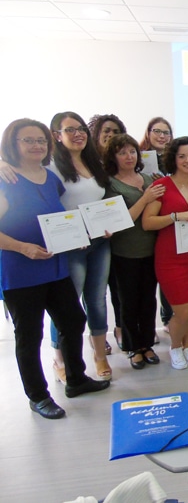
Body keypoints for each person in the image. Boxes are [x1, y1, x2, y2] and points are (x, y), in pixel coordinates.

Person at [0, 119, 110, 419]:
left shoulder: (49, 178)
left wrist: (80, 234)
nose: (36, 145)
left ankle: (76, 378)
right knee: (29, 335)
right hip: (21, 270)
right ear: (13, 144)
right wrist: (23, 247)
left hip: (56, 264)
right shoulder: (4, 179)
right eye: (28, 140)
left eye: (40, 140)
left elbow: (60, 217)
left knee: (73, 319)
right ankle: (38, 396)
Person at [48, 111, 113, 381]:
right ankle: (59, 358)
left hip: (99, 242)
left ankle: (99, 356)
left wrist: (109, 223)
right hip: (70, 245)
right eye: (70, 130)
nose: (78, 134)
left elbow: (102, 200)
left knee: (97, 301)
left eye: (81, 129)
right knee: (67, 304)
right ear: (57, 136)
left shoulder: (94, 162)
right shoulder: (50, 166)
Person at [142, 136, 188, 370]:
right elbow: (147, 223)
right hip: (171, 258)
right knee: (182, 309)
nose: (187, 160)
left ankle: (187, 347)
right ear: (173, 158)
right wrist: (175, 217)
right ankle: (175, 347)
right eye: (182, 156)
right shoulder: (161, 186)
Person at [105, 134, 165, 369]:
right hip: (125, 252)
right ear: (113, 157)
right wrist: (146, 197)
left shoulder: (149, 178)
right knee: (127, 302)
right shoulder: (109, 183)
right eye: (122, 153)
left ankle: (147, 344)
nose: (128, 156)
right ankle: (133, 347)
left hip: (151, 250)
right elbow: (119, 220)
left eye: (132, 151)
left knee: (148, 300)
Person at [87, 113, 127, 350]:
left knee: (119, 288)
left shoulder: (125, 161)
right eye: (106, 131)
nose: (110, 136)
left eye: (115, 132)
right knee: (95, 294)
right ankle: (97, 338)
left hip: (121, 236)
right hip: (93, 239)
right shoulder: (87, 162)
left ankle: (121, 329)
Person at [139, 117, 174, 330]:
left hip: (169, 222)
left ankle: (168, 318)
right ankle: (146, 327)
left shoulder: (175, 159)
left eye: (166, 132)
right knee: (146, 280)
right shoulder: (137, 157)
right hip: (145, 222)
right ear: (148, 132)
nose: (161, 136)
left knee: (168, 276)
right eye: (157, 131)